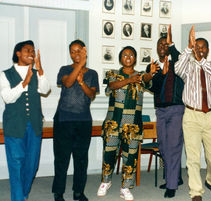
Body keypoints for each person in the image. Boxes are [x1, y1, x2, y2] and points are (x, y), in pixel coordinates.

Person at [97, 46, 159, 201]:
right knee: (109, 154)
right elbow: (111, 87)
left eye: (131, 55)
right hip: (113, 122)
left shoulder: (140, 76)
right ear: (120, 58)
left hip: (133, 125)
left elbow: (146, 79)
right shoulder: (113, 74)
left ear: (135, 58)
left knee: (130, 156)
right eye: (125, 55)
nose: (128, 57)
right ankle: (106, 181)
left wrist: (150, 74)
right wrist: (129, 80)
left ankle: (125, 187)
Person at [175, 26, 211, 201]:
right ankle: (196, 191)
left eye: (203, 47)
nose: (200, 50)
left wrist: (200, 60)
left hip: (210, 116)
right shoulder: (188, 68)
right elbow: (177, 67)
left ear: (208, 50)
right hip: (191, 116)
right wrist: (189, 47)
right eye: (197, 47)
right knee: (193, 158)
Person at [0, 40, 50, 201]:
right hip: (14, 125)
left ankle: (23, 195)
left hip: (34, 125)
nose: (31, 53)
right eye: (27, 50)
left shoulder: (37, 72)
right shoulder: (5, 74)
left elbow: (45, 89)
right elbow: (7, 98)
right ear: (18, 53)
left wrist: (40, 69)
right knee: (16, 164)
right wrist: (25, 82)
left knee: (32, 164)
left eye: (33, 51)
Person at [52, 39, 100, 201]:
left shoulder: (92, 73)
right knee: (61, 158)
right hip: (63, 120)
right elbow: (67, 82)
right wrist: (79, 67)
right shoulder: (64, 69)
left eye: (79, 50)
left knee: (81, 159)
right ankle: (58, 192)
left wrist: (82, 82)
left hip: (83, 121)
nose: (76, 54)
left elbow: (91, 95)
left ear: (84, 51)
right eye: (72, 51)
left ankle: (78, 191)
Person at [145, 25, 184, 198]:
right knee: (163, 146)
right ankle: (175, 177)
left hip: (176, 109)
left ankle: (171, 185)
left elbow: (179, 58)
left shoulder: (177, 62)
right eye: (160, 45)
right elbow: (153, 88)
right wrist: (158, 74)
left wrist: (172, 44)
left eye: (165, 45)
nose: (162, 47)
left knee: (174, 146)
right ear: (156, 48)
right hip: (160, 111)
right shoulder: (152, 66)